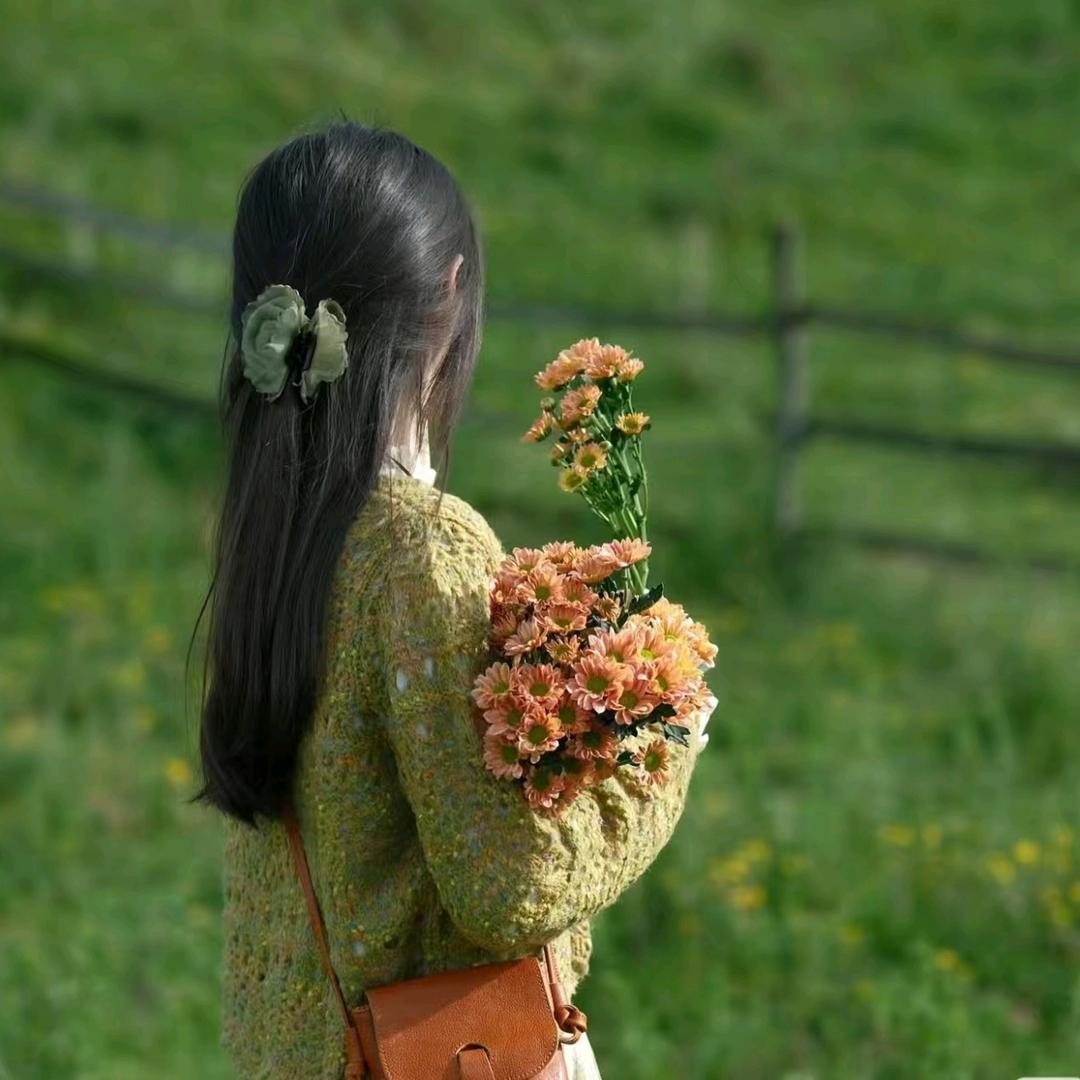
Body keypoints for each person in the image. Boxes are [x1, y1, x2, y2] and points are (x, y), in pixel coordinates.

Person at [194, 119, 707, 1079]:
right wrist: (662, 756)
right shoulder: (419, 550)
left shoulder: (271, 532)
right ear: (449, 296)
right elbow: (507, 882)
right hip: (450, 1056)